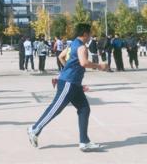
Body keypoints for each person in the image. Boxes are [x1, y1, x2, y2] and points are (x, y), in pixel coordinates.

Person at [27, 23, 109, 151]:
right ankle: (34, 129)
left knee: (84, 109)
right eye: (90, 34)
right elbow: (84, 62)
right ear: (85, 34)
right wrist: (100, 66)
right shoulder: (81, 47)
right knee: (56, 108)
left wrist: (68, 69)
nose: (91, 36)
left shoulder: (73, 44)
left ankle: (84, 142)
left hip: (74, 83)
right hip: (68, 83)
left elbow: (61, 56)